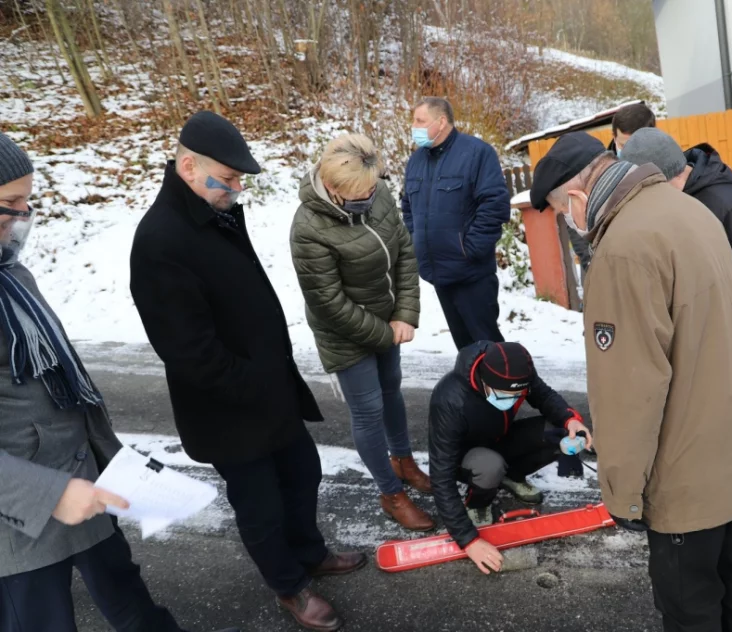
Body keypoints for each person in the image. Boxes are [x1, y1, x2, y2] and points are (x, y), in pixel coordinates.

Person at [530, 132, 732, 631]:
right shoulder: (690, 208)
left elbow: (630, 393)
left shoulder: (622, 251)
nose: (569, 222)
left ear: (577, 197)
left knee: (691, 607)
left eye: (562, 212)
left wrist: (623, 492)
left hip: (688, 478)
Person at [129, 112, 363, 632]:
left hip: (268, 388)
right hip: (228, 409)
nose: (236, 190)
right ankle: (289, 585)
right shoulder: (160, 241)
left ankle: (309, 553)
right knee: (261, 506)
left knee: (303, 474)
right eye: (228, 179)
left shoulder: (213, 212)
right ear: (188, 168)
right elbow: (188, 351)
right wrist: (256, 385)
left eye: (238, 180)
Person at [0, 134, 238, 632]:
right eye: (10, 204)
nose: (22, 217)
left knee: (130, 601)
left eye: (27, 202)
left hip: (81, 481)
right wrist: (49, 494)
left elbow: (59, 377)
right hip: (20, 519)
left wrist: (106, 457)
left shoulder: (11, 274)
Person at [290, 133, 435, 532]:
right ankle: (391, 493)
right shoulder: (308, 228)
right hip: (344, 334)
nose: (369, 198)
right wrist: (386, 334)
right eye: (359, 195)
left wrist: (405, 314)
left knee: (391, 390)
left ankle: (403, 460)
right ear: (332, 187)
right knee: (368, 411)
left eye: (372, 189)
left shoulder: (377, 192)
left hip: (389, 322)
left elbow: (404, 253)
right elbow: (329, 303)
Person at [621, 127, 732, 368]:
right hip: (697, 348)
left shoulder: (730, 209)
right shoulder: (675, 203)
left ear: (659, 178)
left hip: (730, 353)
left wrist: (728, 350)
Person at [427, 341, 592, 575]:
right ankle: (478, 503)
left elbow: (544, 396)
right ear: (484, 383)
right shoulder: (450, 399)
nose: (512, 400)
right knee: (490, 466)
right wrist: (468, 540)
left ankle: (511, 476)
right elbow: (441, 475)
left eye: (517, 395)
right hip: (467, 456)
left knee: (561, 434)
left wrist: (570, 419)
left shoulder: (519, 370)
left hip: (498, 438)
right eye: (505, 395)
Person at [401, 97, 510, 350]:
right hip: (438, 272)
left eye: (420, 121)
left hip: (472, 274)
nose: (414, 127)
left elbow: (494, 205)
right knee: (465, 348)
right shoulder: (416, 161)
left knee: (489, 348)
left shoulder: (477, 153)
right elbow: (408, 206)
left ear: (441, 122)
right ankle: (473, 378)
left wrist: (469, 249)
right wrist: (416, 240)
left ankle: (503, 379)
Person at [570, 102, 657, 274]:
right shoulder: (595, 172)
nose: (629, 152)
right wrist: (593, 262)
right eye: (623, 145)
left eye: (635, 145)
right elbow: (576, 220)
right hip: (607, 270)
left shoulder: (670, 167)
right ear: (614, 136)